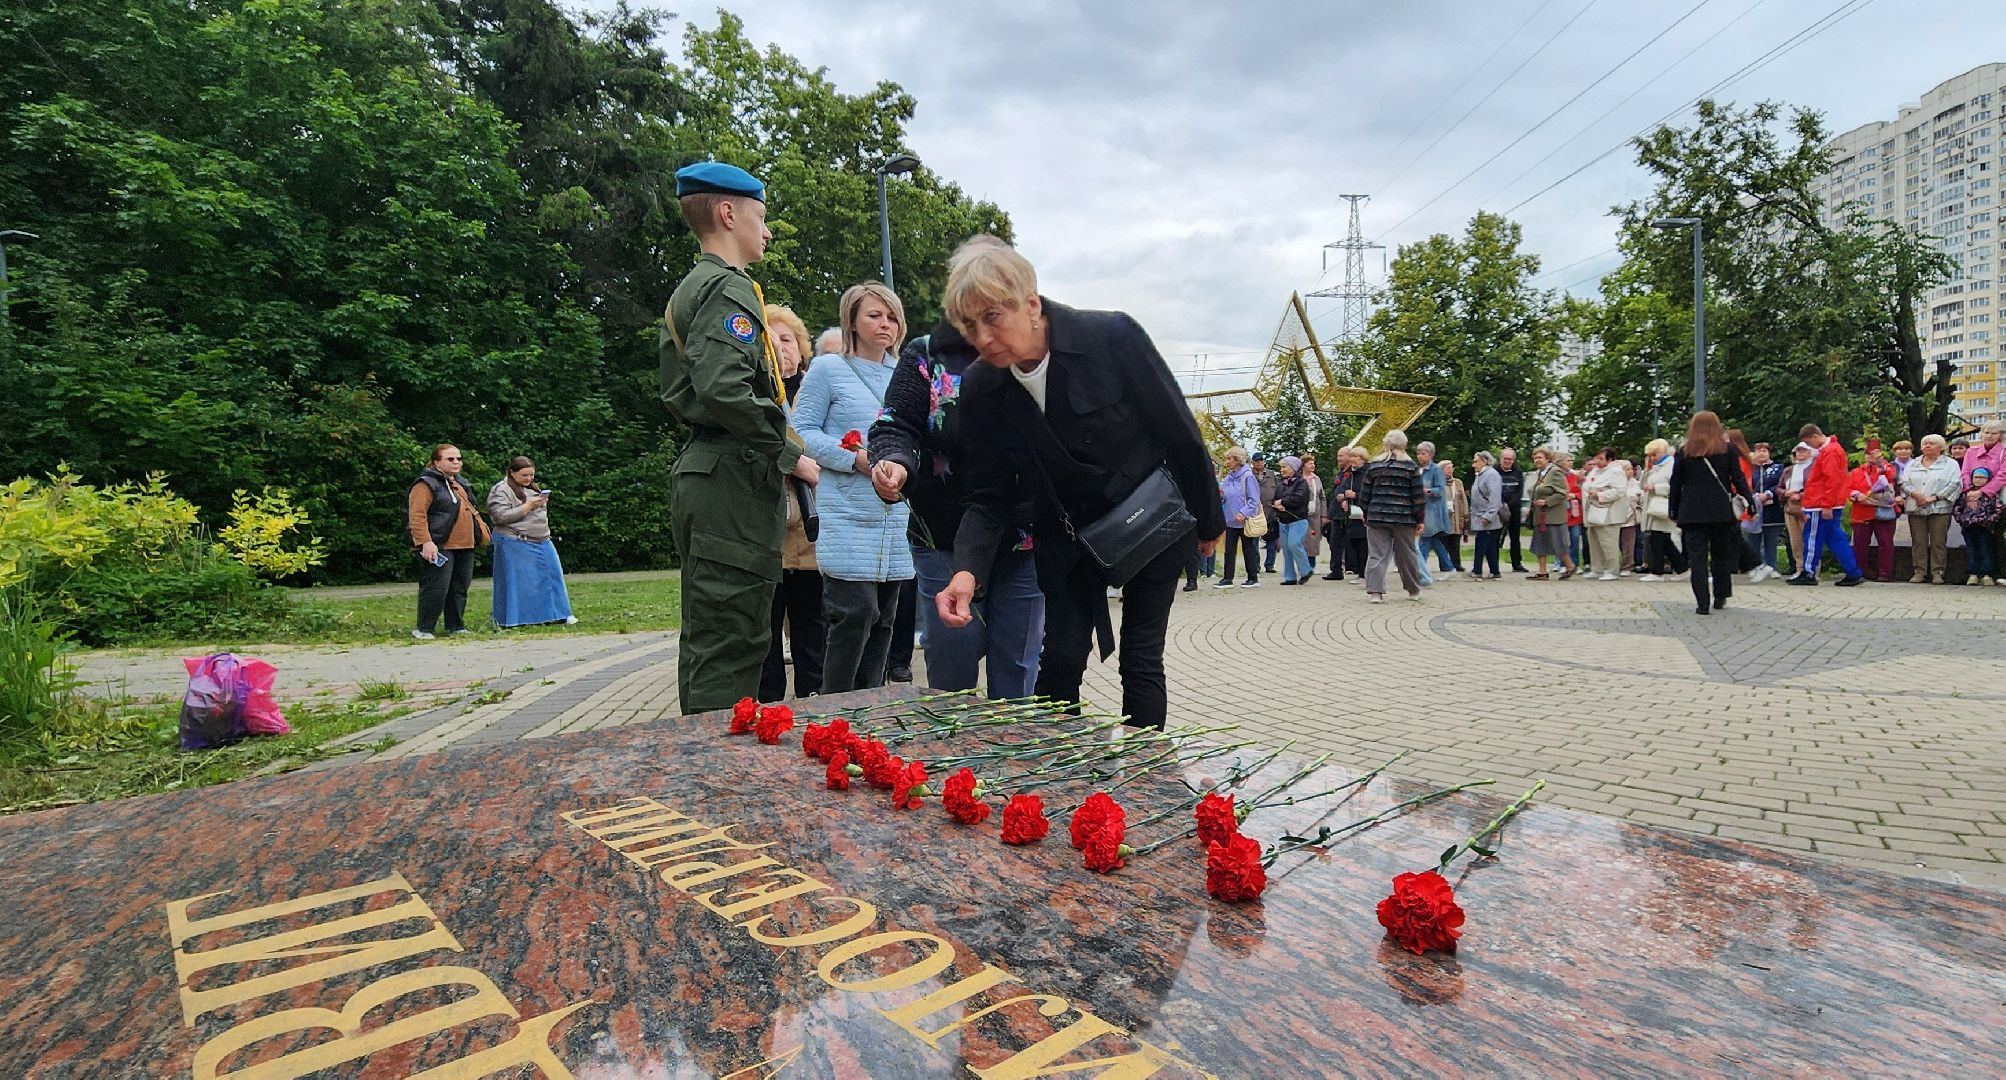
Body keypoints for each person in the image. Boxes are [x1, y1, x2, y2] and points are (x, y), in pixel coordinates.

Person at [934, 237, 1222, 733]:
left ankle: (1144, 782)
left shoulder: (1112, 336)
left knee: (1141, 657)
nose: (981, 338)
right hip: (1066, 537)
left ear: (1031, 303)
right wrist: (966, 571)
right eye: (967, 326)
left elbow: (1178, 430)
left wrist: (1209, 521)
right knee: (1062, 658)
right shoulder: (983, 385)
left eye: (992, 317)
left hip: (1150, 520)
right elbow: (989, 493)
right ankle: (1053, 782)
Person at [661, 161, 816, 713]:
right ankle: (714, 782)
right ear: (728, 213)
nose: (767, 230)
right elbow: (725, 387)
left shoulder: (698, 287)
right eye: (761, 215)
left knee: (722, 631)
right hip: (731, 476)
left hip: (716, 472)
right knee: (730, 638)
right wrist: (791, 453)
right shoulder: (728, 289)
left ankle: (711, 767)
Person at [868, 319, 1044, 698]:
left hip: (1025, 538)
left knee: (1016, 664)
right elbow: (895, 425)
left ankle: (1011, 751)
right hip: (941, 535)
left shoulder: (1031, 353)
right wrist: (895, 462)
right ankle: (952, 750)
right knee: (952, 658)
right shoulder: (927, 354)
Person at [794, 282, 915, 693]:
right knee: (854, 613)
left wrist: (902, 467)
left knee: (883, 619)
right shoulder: (829, 369)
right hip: (848, 513)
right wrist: (856, 459)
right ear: (852, 320)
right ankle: (835, 709)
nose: (886, 324)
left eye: (892, 316)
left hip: (894, 512)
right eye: (874, 315)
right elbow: (801, 432)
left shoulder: (905, 375)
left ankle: (870, 713)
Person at [759, 304, 826, 701]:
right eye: (768, 339)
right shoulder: (752, 398)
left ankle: (817, 710)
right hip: (766, 533)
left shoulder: (818, 395)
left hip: (815, 535)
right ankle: (769, 710)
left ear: (802, 350)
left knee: (814, 629)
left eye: (787, 340)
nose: (779, 348)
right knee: (765, 635)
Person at [1668, 411, 1753, 615]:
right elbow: (1738, 478)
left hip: (1692, 511)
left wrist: (1673, 508)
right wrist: (1749, 501)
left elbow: (1676, 483)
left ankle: (1702, 603)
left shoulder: (1684, 451)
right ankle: (1721, 596)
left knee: (1696, 558)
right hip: (1720, 511)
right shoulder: (1728, 450)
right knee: (1720, 555)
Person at [407, 443, 490, 640]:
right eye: (450, 459)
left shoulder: (460, 483)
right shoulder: (425, 484)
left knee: (459, 587)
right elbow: (417, 515)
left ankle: (456, 625)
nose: (456, 462)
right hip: (440, 544)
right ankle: (424, 628)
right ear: (436, 462)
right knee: (436, 587)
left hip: (465, 544)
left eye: (459, 459)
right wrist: (425, 541)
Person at [486, 456, 576, 629]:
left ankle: (558, 614)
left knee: (552, 576)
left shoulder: (532, 488)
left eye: (531, 475)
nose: (528, 479)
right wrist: (527, 507)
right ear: (512, 473)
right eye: (524, 475)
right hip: (514, 540)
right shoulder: (501, 490)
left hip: (542, 540)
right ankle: (515, 618)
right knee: (520, 583)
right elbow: (500, 516)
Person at [1789, 424, 1864, 587]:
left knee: (1812, 537)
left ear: (1815, 436)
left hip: (1820, 503)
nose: (1810, 447)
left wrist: (1826, 504)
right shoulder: (1831, 450)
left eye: (1809, 443)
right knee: (1835, 538)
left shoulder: (1830, 451)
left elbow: (1832, 479)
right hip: (1827, 501)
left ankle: (1808, 572)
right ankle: (1853, 571)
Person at [1359, 430, 1426, 603]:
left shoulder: (1374, 466)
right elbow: (1417, 496)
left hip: (1377, 517)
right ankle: (1413, 590)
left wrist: (1365, 513)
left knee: (1376, 554)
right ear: (1404, 445)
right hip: (1404, 518)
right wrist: (1420, 519)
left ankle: (1375, 593)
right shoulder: (1411, 467)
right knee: (1407, 554)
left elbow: (1365, 494)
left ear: (1386, 445)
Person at [1902, 434, 1960, 584]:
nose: (1927, 446)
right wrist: (1916, 495)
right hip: (1916, 506)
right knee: (1918, 541)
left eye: (1931, 443)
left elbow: (1955, 484)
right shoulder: (1913, 463)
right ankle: (1919, 571)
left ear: (1940, 447)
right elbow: (1903, 482)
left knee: (1938, 541)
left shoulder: (1950, 464)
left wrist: (1932, 498)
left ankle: (1938, 572)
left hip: (1940, 507)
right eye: (1925, 443)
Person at [1847, 438, 1900, 582]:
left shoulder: (1887, 468)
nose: (1871, 456)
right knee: (1860, 544)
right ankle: (1860, 571)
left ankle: (1885, 573)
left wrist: (1879, 463)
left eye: (1875, 453)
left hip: (1883, 510)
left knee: (1885, 543)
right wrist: (1857, 496)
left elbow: (1891, 477)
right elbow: (1848, 488)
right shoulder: (1857, 472)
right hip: (1862, 511)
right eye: (1868, 454)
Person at [1961, 420, 2006, 585]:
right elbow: (1965, 473)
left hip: (1995, 500)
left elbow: (2002, 475)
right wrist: (1970, 493)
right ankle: (1974, 573)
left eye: (1994, 433)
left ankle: (1994, 573)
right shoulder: (1971, 452)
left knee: (1994, 537)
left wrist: (1982, 492)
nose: (1989, 435)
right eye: (1986, 432)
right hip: (1971, 499)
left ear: (2000, 435)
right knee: (1973, 539)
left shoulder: (2004, 452)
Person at [1582, 447, 1632, 582]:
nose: (1597, 461)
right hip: (1593, 511)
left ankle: (1612, 570)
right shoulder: (1595, 472)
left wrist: (1599, 494)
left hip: (1609, 513)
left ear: (1610, 460)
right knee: (1594, 542)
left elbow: (1619, 491)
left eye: (1601, 458)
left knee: (1608, 543)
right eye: (1596, 458)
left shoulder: (1616, 472)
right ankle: (1597, 568)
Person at [1216, 446, 1262, 588]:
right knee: (1229, 551)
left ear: (1237, 460)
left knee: (1249, 550)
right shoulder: (1229, 476)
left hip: (1244, 520)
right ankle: (1227, 579)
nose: (1227, 462)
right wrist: (1221, 496)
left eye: (1230, 459)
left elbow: (1254, 499)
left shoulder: (1247, 476)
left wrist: (1243, 512)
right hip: (1230, 520)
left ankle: (1252, 578)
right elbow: (1226, 496)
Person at [1527, 447, 1574, 580]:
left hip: (1554, 515)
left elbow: (1563, 492)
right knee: (1539, 543)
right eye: (1535, 458)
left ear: (1547, 459)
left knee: (1558, 542)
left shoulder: (1555, 472)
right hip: (1539, 515)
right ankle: (1542, 571)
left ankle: (1570, 565)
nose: (1537, 460)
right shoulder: (1538, 474)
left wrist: (1547, 501)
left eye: (1540, 457)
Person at [1637, 439, 1677, 581]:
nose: (1652, 458)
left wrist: (1657, 488)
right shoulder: (1655, 467)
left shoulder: (1671, 465)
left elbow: (1675, 487)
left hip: (1663, 505)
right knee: (1662, 539)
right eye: (1650, 455)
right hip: (1653, 507)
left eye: (1654, 454)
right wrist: (1646, 471)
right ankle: (1681, 567)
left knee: (1659, 539)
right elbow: (1642, 485)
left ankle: (1657, 571)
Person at [1954, 467, 2002, 585]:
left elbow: (1999, 509)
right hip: (1969, 526)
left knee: (1986, 549)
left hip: (1985, 527)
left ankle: (1987, 574)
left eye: (1982, 477)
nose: (1979, 480)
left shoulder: (1991, 494)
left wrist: (1989, 520)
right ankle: (1973, 574)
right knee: (1972, 550)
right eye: (1976, 477)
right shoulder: (1966, 494)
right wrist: (1962, 519)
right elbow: (1957, 509)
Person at [1322, 447, 1362, 580]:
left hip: (1349, 513)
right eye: (1338, 456)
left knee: (1352, 542)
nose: (1338, 459)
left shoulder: (1354, 473)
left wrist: (1345, 497)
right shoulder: (1340, 473)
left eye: (1341, 456)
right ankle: (1336, 569)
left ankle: (1354, 567)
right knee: (1334, 542)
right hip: (1337, 513)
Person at [1749, 442, 1786, 582]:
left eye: (1764, 451)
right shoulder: (1750, 469)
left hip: (1772, 509)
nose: (1761, 453)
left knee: (1771, 539)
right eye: (1758, 451)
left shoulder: (1778, 468)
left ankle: (1772, 567)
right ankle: (1756, 566)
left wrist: (1769, 493)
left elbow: (1781, 484)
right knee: (1752, 539)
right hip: (1753, 509)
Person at [1416, 441, 1456, 572]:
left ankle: (1420, 570)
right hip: (1422, 509)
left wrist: (1427, 491)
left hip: (1433, 511)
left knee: (1425, 538)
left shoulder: (1436, 470)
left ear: (1431, 455)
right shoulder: (1419, 470)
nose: (1419, 456)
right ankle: (1449, 567)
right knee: (1434, 541)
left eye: (1423, 453)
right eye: (1418, 453)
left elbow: (1440, 490)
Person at [1273, 455, 1312, 585]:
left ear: (1293, 468)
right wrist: (1277, 505)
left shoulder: (1301, 483)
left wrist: (1283, 502)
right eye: (1281, 467)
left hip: (1298, 519)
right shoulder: (1281, 484)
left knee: (1294, 544)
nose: (1282, 470)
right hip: (1283, 520)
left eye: (1284, 467)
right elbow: (1275, 498)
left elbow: (1300, 498)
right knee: (1286, 549)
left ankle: (1306, 570)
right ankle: (1290, 577)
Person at [1468, 451, 1504, 580]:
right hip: (1480, 515)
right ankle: (1494, 571)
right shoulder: (1481, 474)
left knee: (1482, 544)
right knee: (1490, 546)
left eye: (1475, 461)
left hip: (1487, 517)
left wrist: (1488, 515)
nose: (1473, 465)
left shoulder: (1491, 475)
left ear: (1484, 461)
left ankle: (1477, 570)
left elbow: (1495, 497)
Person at [1780, 441, 1812, 576]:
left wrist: (1800, 495)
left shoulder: (1813, 468)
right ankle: (1799, 567)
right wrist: (1785, 493)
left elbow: (1815, 487)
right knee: (1795, 540)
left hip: (1807, 506)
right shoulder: (1789, 470)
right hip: (1791, 507)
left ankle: (1811, 568)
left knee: (1808, 538)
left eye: (1803, 450)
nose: (1800, 453)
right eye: (1797, 451)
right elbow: (1779, 487)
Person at [1497, 447, 1528, 572]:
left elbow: (1519, 491)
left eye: (1510, 459)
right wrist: (1502, 504)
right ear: (1501, 459)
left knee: (1515, 537)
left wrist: (1510, 505)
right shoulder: (1494, 471)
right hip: (1498, 508)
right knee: (1496, 536)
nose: (1507, 461)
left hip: (1514, 508)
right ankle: (1493, 563)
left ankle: (1517, 563)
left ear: (1513, 460)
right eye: (1505, 458)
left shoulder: (1518, 473)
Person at [1252, 453, 1280, 574]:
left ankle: (1269, 565)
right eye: (1256, 460)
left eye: (1261, 460)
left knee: (1271, 541)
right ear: (1252, 462)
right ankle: (1255, 566)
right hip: (1254, 514)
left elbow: (1278, 491)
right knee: (1253, 542)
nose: (1259, 462)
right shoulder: (1249, 475)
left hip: (1270, 513)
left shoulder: (1271, 475)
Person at [1301, 453, 1325, 573]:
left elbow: (1322, 497)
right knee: (1302, 539)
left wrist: (1324, 515)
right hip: (1301, 513)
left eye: (1313, 463)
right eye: (1310, 463)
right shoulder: (1299, 479)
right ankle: (1303, 565)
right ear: (1303, 465)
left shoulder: (1317, 479)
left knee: (1313, 539)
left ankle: (1311, 565)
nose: (1313, 465)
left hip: (1315, 514)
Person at [1443, 459, 1469, 569]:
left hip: (1456, 516)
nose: (1451, 470)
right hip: (1443, 516)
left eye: (1451, 468)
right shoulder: (1437, 482)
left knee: (1455, 541)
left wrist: (1465, 515)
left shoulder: (1457, 483)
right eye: (1448, 468)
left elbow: (1463, 499)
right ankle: (1444, 564)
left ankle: (1457, 564)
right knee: (1443, 541)